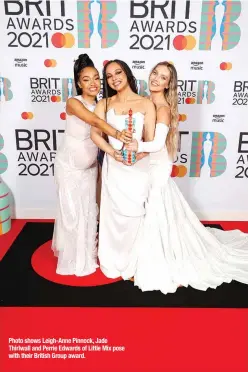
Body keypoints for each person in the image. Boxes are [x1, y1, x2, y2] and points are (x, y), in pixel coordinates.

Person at [125, 61, 248, 294]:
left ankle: (159, 261)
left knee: (155, 209)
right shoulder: (145, 102)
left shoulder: (162, 108)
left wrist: (135, 146)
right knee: (147, 208)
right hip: (145, 163)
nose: (156, 79)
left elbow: (159, 144)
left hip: (156, 164)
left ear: (168, 84)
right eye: (154, 73)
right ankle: (140, 257)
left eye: (162, 77)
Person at [52, 54, 132, 276]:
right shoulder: (73, 102)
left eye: (97, 78)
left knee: (88, 213)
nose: (93, 83)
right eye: (87, 79)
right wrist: (118, 133)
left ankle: (86, 256)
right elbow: (95, 122)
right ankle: (71, 260)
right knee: (71, 215)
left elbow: (102, 131)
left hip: (89, 169)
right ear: (79, 83)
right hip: (69, 168)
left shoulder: (101, 105)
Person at [91, 59, 156, 279]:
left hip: (138, 168)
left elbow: (151, 141)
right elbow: (94, 135)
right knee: (113, 214)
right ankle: (113, 257)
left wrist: (139, 155)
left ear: (127, 74)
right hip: (114, 166)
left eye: (118, 72)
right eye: (109, 76)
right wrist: (112, 152)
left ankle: (135, 261)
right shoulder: (104, 105)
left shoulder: (146, 104)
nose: (114, 78)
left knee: (135, 213)